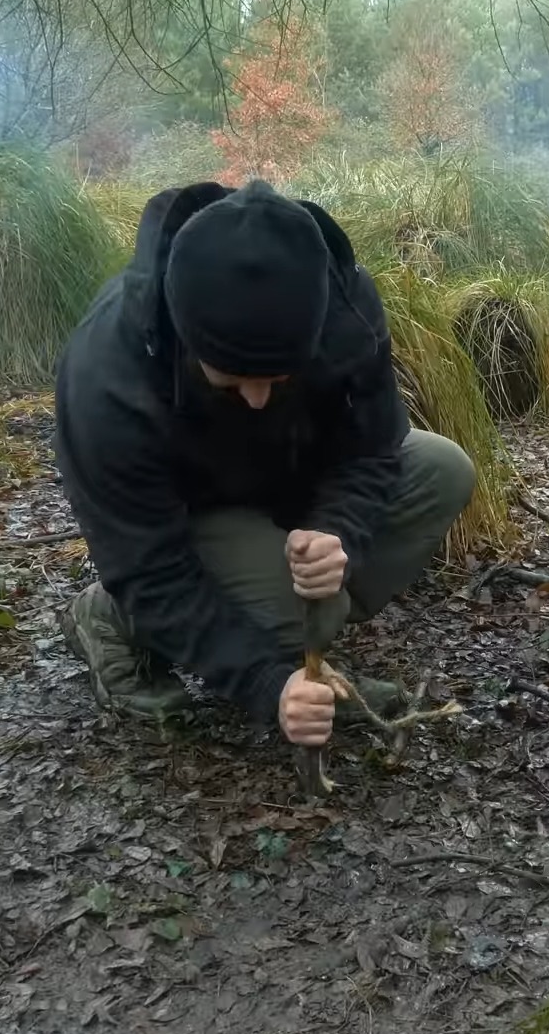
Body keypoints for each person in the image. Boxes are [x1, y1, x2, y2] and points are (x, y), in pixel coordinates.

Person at [54, 179, 476, 752]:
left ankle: (293, 627)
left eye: (277, 379)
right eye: (231, 379)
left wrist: (337, 532)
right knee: (287, 611)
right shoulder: (107, 376)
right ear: (185, 334)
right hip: (193, 516)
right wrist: (268, 684)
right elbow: (147, 563)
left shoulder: (339, 304)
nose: (256, 398)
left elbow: (371, 448)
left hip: (285, 481)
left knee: (442, 469)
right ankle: (111, 616)